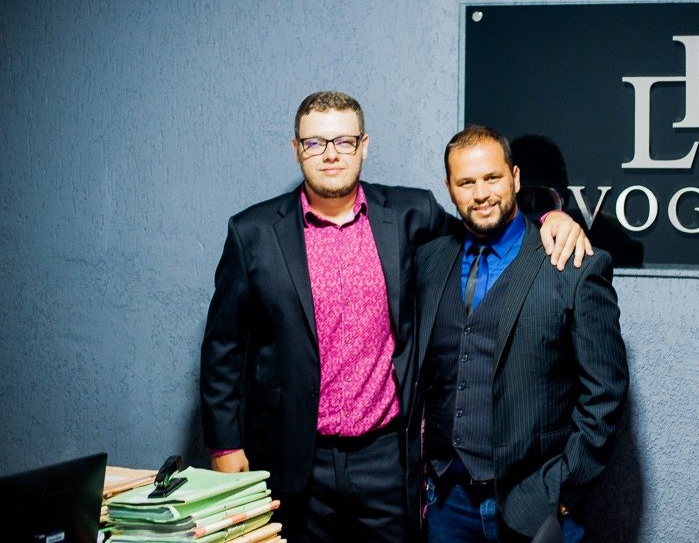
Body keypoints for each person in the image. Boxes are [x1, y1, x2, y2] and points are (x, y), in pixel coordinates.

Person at [199, 92, 591, 543]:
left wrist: (551, 219)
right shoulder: (252, 233)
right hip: (292, 451)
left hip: (385, 457)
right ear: (296, 149)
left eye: (344, 141)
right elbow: (223, 347)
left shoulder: (410, 214)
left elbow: (486, 222)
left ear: (364, 146)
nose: (330, 154)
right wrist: (225, 444)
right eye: (315, 143)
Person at [409, 125, 629, 542]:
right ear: (449, 188)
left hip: (535, 505)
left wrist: (564, 490)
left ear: (515, 177)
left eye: (492, 177)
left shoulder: (572, 264)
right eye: (466, 182)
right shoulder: (428, 261)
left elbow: (605, 393)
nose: (481, 193)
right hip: (447, 502)